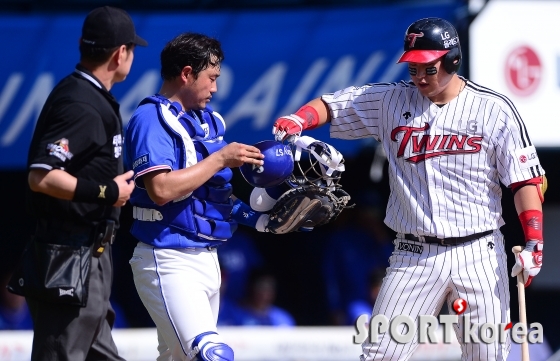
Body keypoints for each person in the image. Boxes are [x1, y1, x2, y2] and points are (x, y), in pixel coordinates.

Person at [273, 17, 546, 361]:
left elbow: (525, 180)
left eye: (427, 68)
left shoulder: (494, 108)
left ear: (452, 60)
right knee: (380, 355)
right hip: (413, 253)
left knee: (487, 356)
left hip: (479, 249)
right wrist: (300, 119)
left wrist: (534, 240)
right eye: (413, 67)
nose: (418, 77)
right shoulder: (390, 101)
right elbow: (332, 105)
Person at [124, 32, 266, 361]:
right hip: (167, 257)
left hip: (206, 258)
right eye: (211, 78)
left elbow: (214, 198)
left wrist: (259, 219)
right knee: (211, 353)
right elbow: (160, 190)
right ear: (187, 74)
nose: (215, 88)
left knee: (178, 358)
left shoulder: (206, 122)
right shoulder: (151, 119)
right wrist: (220, 158)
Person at [20, 6, 146, 360]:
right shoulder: (80, 103)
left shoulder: (90, 96)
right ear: (121, 53)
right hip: (69, 254)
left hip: (88, 255)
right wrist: (109, 192)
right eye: (132, 49)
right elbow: (41, 175)